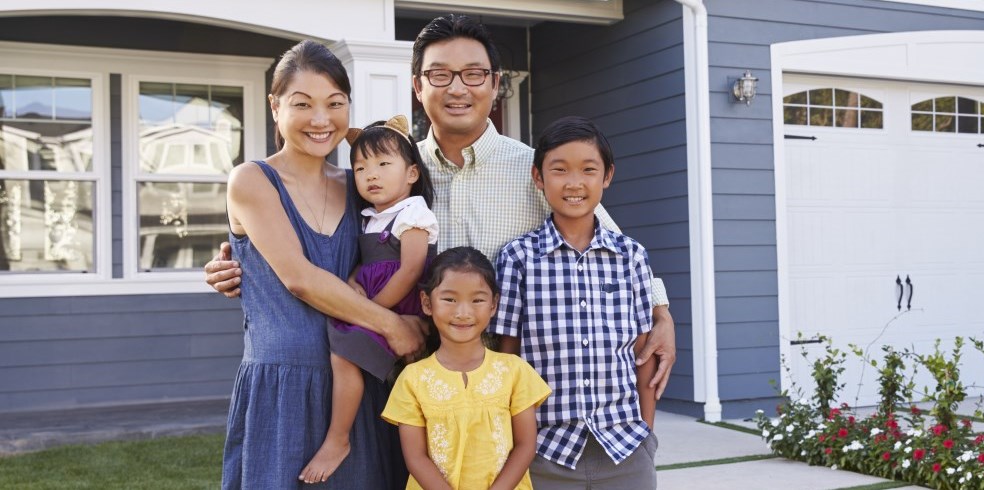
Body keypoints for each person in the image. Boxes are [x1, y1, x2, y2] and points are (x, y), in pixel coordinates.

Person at [205, 15, 679, 399]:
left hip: (503, 380)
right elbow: (319, 235)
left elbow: (608, 244)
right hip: (405, 373)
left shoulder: (534, 170)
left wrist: (661, 313)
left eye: (474, 75)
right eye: (440, 75)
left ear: (495, 86)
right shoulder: (387, 171)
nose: (457, 88)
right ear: (417, 86)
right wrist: (239, 261)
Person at [222, 40, 420, 489]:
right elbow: (299, 279)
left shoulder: (361, 186)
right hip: (282, 389)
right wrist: (392, 324)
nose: (319, 119)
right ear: (275, 107)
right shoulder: (252, 179)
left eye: (335, 104)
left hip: (355, 387)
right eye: (302, 104)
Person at [494, 117, 658, 489]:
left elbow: (643, 353)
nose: (574, 183)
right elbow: (508, 359)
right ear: (538, 177)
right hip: (545, 450)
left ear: (607, 176)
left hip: (625, 447)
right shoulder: (518, 258)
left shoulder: (630, 256)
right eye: (559, 170)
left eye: (588, 170)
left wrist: (646, 436)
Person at [300, 115, 438, 483]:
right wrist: (351, 284)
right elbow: (364, 264)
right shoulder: (370, 217)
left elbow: (410, 270)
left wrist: (375, 313)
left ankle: (338, 438)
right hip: (375, 305)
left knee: (345, 353)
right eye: (360, 167)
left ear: (411, 173)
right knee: (344, 353)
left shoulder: (413, 213)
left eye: (382, 164)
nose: (370, 174)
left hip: (399, 306)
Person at [383, 246, 551, 490]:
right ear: (427, 303)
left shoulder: (514, 371)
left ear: (493, 305)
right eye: (450, 299)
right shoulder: (412, 379)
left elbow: (526, 445)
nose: (463, 313)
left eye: (477, 300)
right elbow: (416, 458)